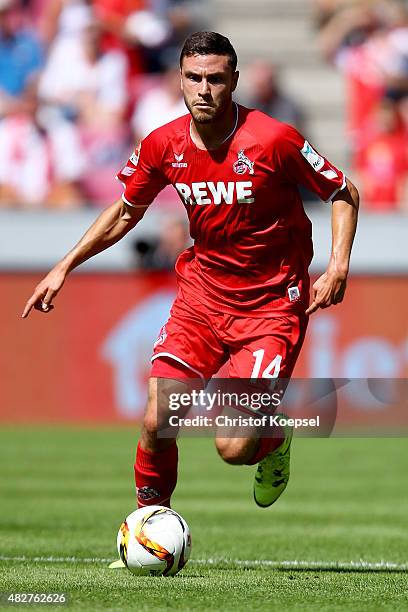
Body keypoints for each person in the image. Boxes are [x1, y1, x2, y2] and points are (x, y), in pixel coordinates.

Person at [22, 32, 359, 534]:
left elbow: (342, 189)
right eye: (194, 78)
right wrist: (65, 265)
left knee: (233, 447)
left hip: (270, 307)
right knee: (159, 414)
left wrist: (337, 266)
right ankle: (147, 525)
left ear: (234, 82)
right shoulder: (164, 143)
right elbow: (124, 213)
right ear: (180, 79)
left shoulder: (273, 139)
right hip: (201, 299)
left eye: (216, 79)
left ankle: (274, 439)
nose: (204, 89)